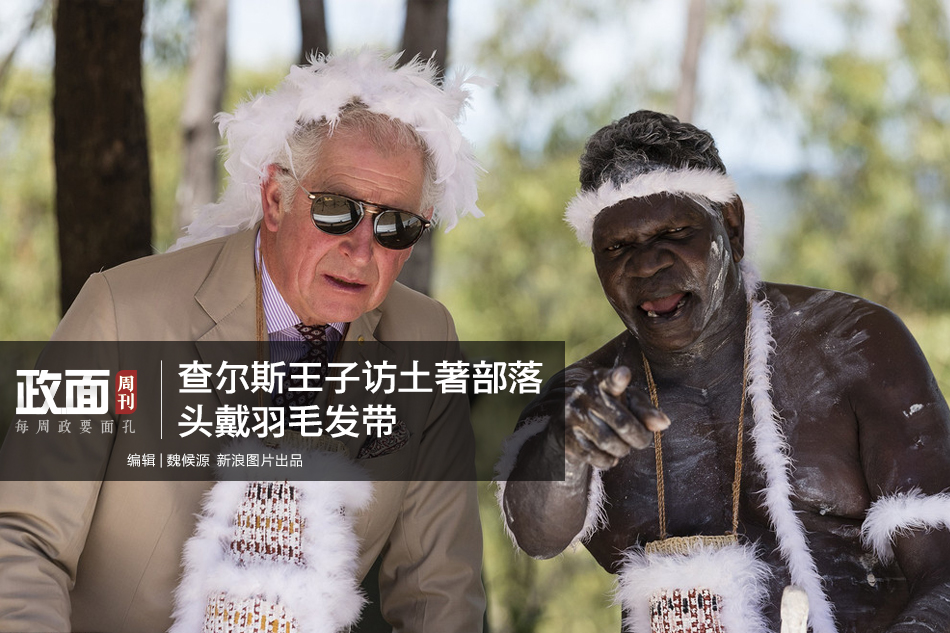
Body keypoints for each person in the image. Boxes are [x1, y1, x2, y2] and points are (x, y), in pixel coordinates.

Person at [0, 50, 485, 632]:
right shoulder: (116, 312)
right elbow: (21, 541)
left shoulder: (428, 339)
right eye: (337, 210)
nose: (362, 251)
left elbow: (439, 592)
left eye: (395, 225)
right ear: (276, 198)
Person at [497, 110, 950, 632]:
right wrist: (566, 448)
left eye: (674, 232)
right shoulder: (584, 400)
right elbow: (535, 532)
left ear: (731, 227)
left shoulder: (853, 345)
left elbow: (943, 567)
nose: (646, 265)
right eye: (617, 247)